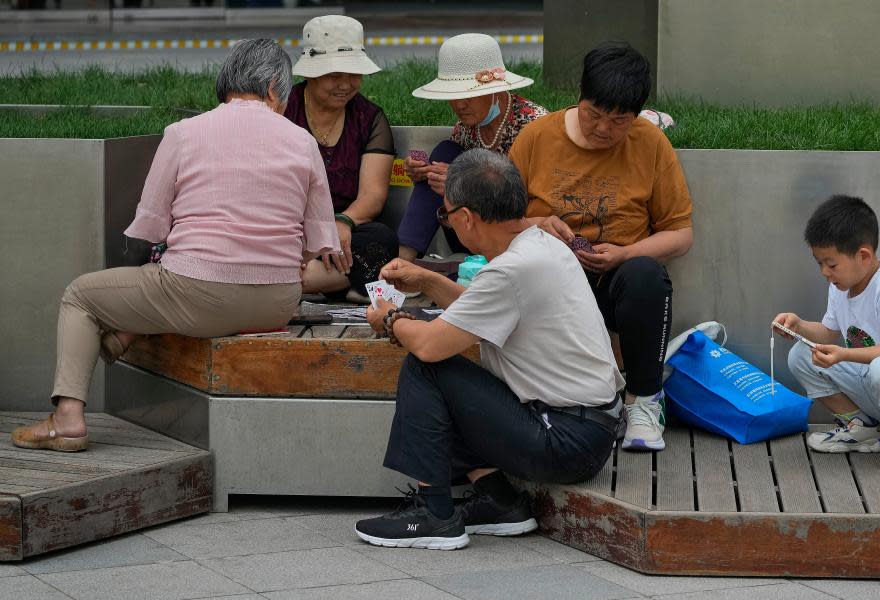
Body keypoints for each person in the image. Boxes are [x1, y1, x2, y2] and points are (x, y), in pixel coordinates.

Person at [11, 39, 339, 452]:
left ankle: (67, 419)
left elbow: (151, 226)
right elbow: (317, 243)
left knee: (81, 296)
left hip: (198, 297)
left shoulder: (184, 133)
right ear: (274, 88)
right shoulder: (303, 141)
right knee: (171, 291)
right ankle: (119, 338)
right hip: (276, 303)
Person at [354, 149, 623, 550]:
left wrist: (390, 318)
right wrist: (427, 280)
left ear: (466, 218)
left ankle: (435, 515)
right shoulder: (539, 247)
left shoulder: (511, 270)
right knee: (445, 369)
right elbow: (484, 309)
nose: (447, 222)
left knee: (427, 366)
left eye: (444, 215)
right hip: (588, 429)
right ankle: (500, 502)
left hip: (566, 440)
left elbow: (429, 346)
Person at [507, 42, 693, 452]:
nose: (604, 129)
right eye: (594, 115)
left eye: (619, 120)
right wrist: (537, 224)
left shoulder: (650, 144)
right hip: (547, 282)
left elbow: (680, 234)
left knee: (646, 275)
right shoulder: (537, 137)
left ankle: (644, 401)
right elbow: (498, 223)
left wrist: (624, 254)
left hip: (612, 282)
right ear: (579, 97)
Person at [774, 195, 880, 468]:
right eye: (819, 263)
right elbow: (828, 333)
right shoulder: (839, 286)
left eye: (831, 264)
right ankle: (861, 428)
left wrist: (843, 355)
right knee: (802, 353)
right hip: (876, 385)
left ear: (863, 256)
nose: (824, 272)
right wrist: (799, 326)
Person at [397, 33, 547, 262]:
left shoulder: (534, 125)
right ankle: (402, 261)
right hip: (469, 228)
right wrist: (423, 173)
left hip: (517, 234)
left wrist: (463, 181)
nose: (459, 104)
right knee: (444, 153)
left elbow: (532, 200)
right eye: (453, 95)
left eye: (469, 94)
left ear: (495, 88)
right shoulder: (465, 127)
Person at [285, 15, 399, 299]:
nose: (346, 84)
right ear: (310, 74)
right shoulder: (284, 111)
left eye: (354, 74)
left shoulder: (369, 118)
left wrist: (343, 222)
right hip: (289, 228)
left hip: (345, 235)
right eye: (335, 75)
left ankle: (292, 282)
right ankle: (333, 283)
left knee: (380, 241)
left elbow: (372, 195)